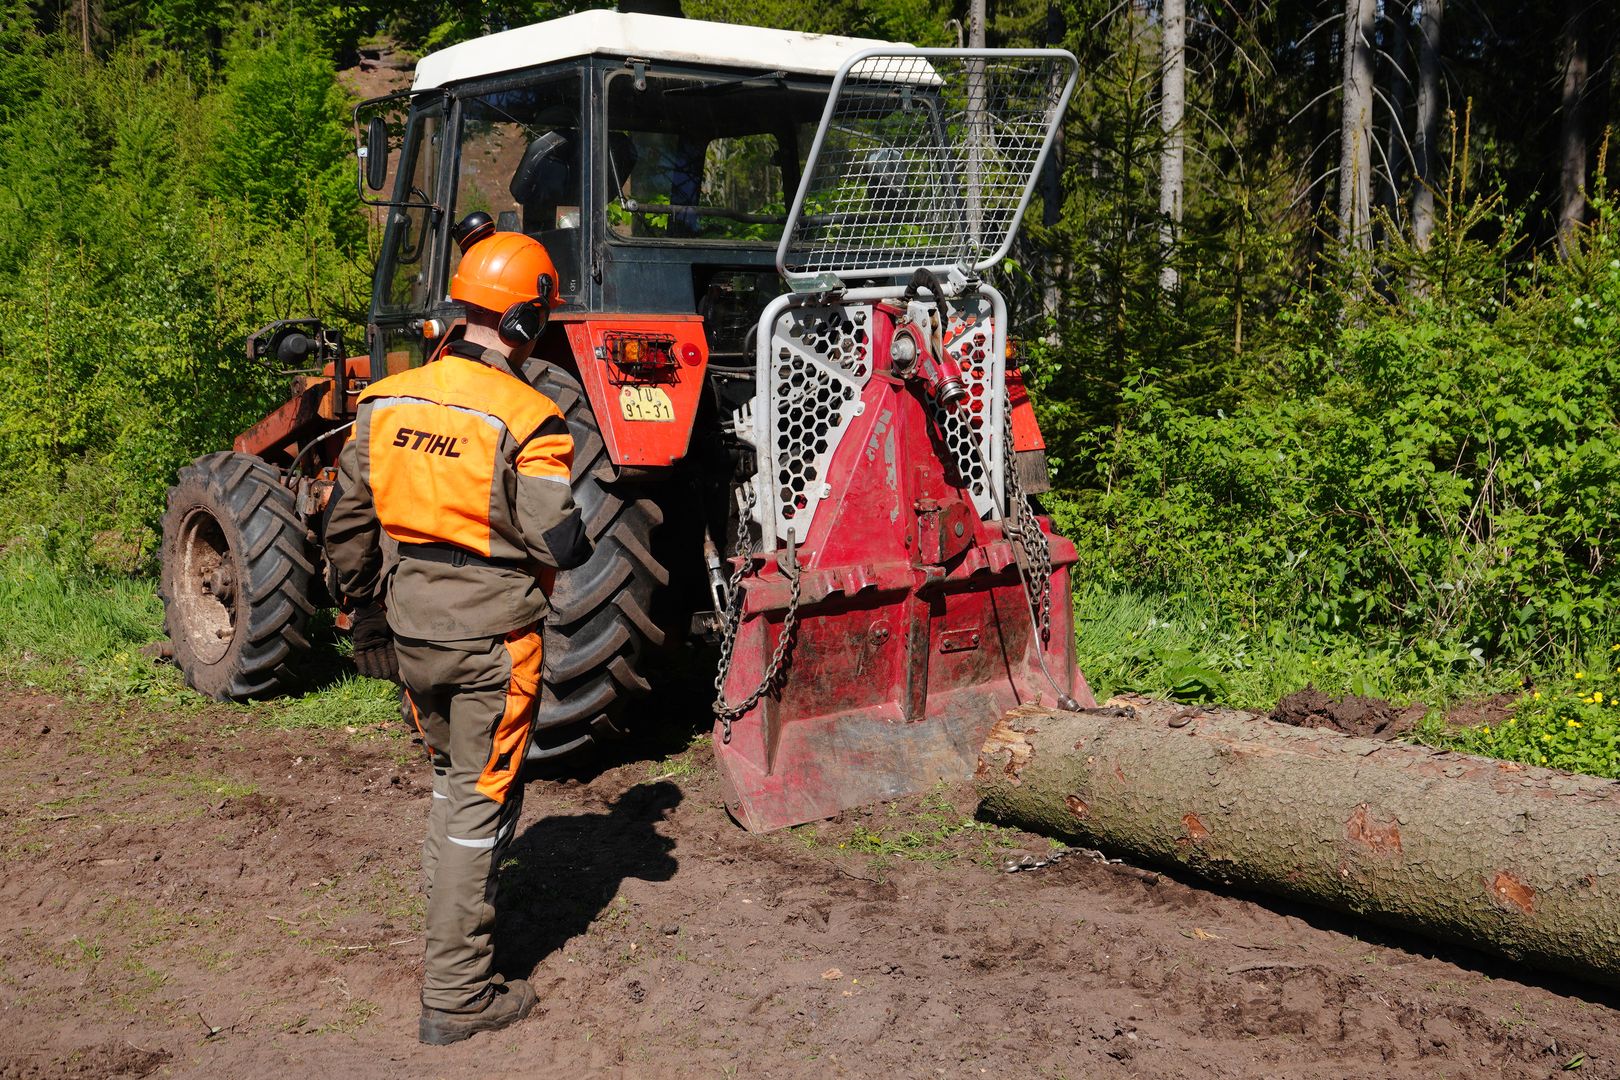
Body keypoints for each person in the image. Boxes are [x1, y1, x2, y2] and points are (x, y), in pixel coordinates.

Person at [324, 211, 591, 1045]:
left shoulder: (384, 400)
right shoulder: (532, 416)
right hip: (493, 643)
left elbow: (346, 529)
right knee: (478, 806)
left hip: (413, 637)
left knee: (451, 791)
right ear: (527, 320)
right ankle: (456, 996)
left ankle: (454, 957)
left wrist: (367, 614)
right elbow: (560, 539)